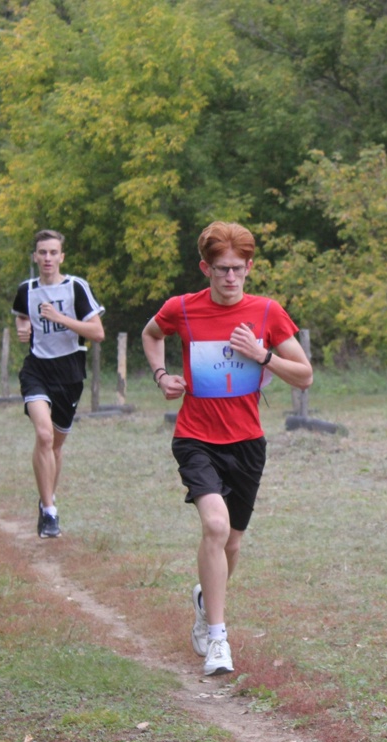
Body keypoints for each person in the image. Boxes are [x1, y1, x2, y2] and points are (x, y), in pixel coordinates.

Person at [141, 221, 313, 677]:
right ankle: (218, 638)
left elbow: (305, 375)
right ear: (206, 269)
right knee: (214, 526)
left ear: (249, 268)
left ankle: (205, 601)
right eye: (222, 269)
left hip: (247, 442)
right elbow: (151, 334)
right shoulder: (182, 308)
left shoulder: (267, 312)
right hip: (195, 436)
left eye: (238, 268)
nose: (230, 277)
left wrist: (262, 355)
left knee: (232, 542)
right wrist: (161, 376)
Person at [11, 229, 106, 539]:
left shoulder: (76, 287)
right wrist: (23, 328)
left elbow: (98, 333)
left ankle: (45, 500)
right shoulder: (26, 289)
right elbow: (21, 316)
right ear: (35, 257)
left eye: (53, 252)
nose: (48, 258)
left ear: (61, 256)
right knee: (43, 434)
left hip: (69, 374)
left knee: (55, 445)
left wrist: (61, 318)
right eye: (42, 252)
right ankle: (51, 512)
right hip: (37, 370)